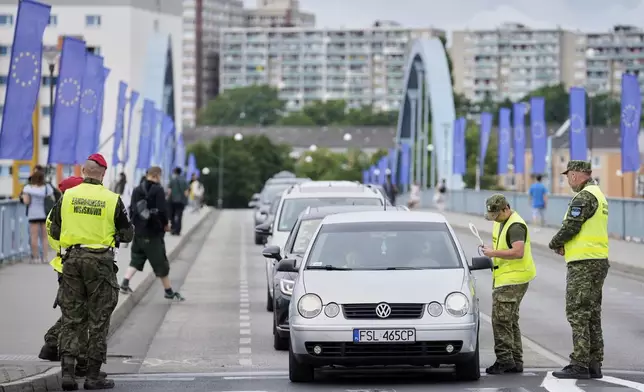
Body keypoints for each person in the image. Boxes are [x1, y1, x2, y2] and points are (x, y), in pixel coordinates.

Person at [47, 154, 133, 390]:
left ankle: (67, 374)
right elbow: (127, 234)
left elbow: (54, 229)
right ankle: (93, 376)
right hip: (101, 264)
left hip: (72, 261)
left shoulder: (67, 196)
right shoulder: (112, 199)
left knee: (72, 318)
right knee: (98, 320)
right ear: (103, 174)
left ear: (84, 171)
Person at [38, 176, 110, 378]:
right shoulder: (63, 211)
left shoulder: (62, 210)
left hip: (69, 265)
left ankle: (74, 358)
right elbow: (57, 239)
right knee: (79, 316)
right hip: (69, 266)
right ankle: (55, 343)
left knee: (78, 314)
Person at [548, 160, 609, 380]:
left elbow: (572, 226)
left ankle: (580, 363)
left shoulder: (584, 196)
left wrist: (555, 242)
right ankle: (594, 363)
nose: (568, 181)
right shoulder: (599, 195)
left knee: (577, 312)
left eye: (568, 176)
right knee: (592, 313)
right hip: (597, 260)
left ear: (576, 175)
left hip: (584, 264)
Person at [481, 194, 536, 375]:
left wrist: (492, 253)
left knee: (501, 321)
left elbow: (518, 252)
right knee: (510, 321)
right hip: (508, 277)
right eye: (492, 215)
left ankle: (505, 361)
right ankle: (515, 360)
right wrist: (492, 250)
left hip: (513, 279)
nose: (494, 218)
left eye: (497, 214)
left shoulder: (516, 226)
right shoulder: (502, 222)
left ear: (506, 208)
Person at [119, 166, 185, 301]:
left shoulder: (137, 189)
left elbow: (132, 209)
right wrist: (166, 224)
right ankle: (169, 291)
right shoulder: (158, 190)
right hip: (153, 232)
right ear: (156, 175)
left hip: (138, 231)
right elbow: (162, 211)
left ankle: (125, 283)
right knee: (160, 262)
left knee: (137, 258)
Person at [22, 170, 57, 263]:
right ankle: (45, 257)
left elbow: (26, 201)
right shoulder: (46, 188)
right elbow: (52, 198)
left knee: (34, 236)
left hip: (33, 214)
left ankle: (35, 257)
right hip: (44, 214)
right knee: (44, 237)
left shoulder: (28, 188)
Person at [167, 167, 189, 235]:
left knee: (172, 215)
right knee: (179, 215)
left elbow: (169, 191)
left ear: (175, 172)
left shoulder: (172, 180)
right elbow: (186, 192)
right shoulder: (184, 180)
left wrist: (168, 199)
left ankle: (173, 228)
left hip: (172, 200)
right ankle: (178, 230)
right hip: (181, 201)